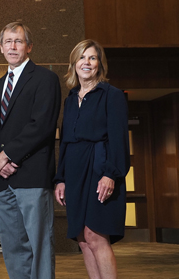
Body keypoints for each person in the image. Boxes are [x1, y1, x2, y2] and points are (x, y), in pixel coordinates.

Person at [0, 23, 61, 279]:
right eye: (7, 41)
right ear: (1, 48)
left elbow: (42, 126)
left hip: (33, 177)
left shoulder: (45, 79)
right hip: (4, 180)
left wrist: (8, 156)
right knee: (13, 248)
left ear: (29, 46)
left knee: (39, 246)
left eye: (18, 41)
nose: (12, 46)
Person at [54, 39, 130, 279]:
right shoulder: (71, 98)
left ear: (100, 64)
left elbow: (119, 140)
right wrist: (61, 178)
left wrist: (111, 174)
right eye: (81, 58)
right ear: (74, 63)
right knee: (83, 240)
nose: (86, 62)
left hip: (100, 169)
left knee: (96, 236)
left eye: (92, 58)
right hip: (75, 172)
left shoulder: (112, 95)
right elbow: (65, 141)